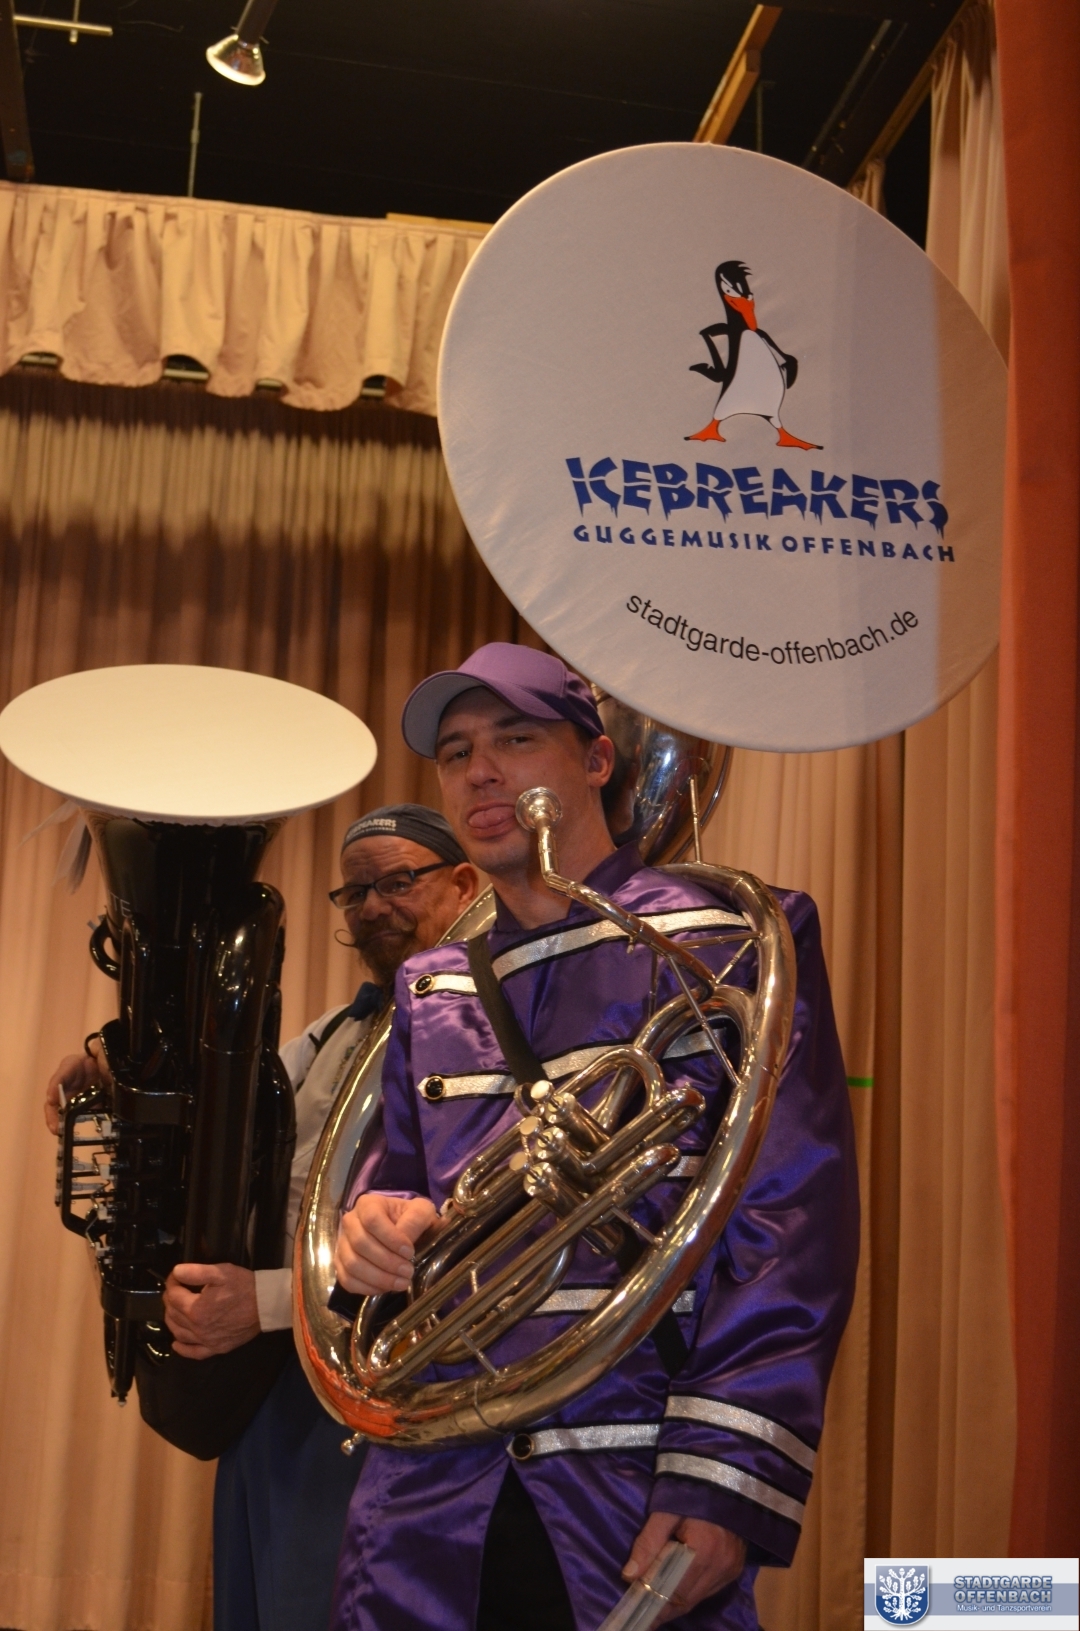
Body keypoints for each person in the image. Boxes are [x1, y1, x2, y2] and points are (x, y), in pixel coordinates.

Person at [332, 644, 860, 1631]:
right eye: (456, 752)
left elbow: (790, 1222)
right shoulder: (430, 986)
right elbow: (391, 1185)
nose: (481, 771)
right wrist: (372, 1229)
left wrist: (720, 1475)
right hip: (430, 1491)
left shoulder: (732, 938)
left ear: (597, 759)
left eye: (515, 738)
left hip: (627, 1471)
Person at [46, 804, 480, 1631]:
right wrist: (106, 1068)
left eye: (397, 882)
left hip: (376, 1386)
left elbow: (462, 1238)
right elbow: (222, 1096)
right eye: (354, 892)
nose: (373, 907)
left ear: (463, 884)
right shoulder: (338, 1030)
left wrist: (266, 1301)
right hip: (274, 1379)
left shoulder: (481, 1035)